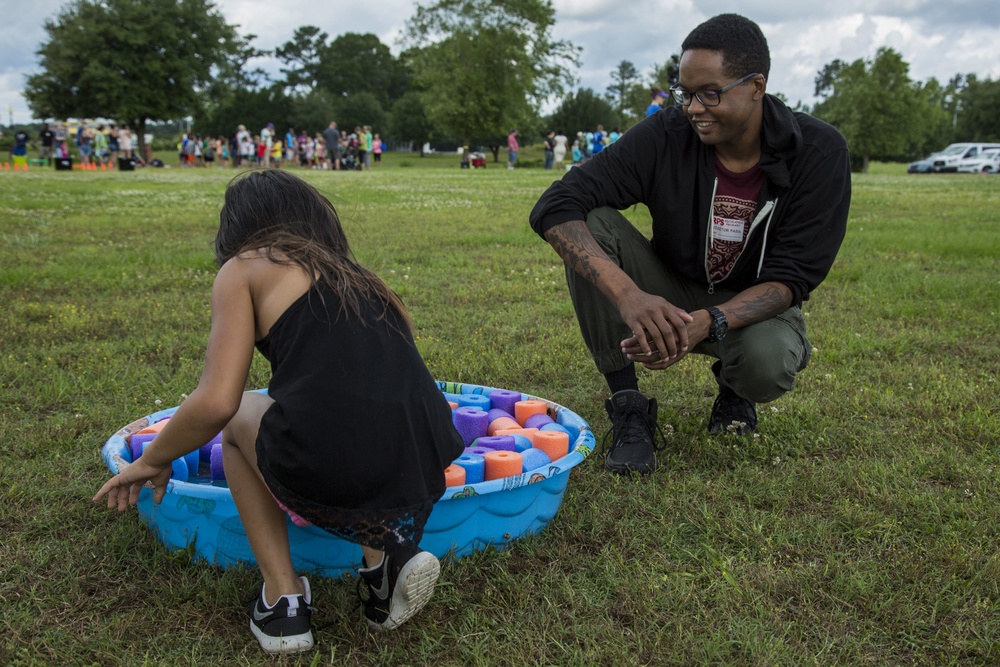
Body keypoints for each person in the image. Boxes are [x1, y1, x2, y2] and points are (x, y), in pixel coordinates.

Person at [93, 169, 465, 654]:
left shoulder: (245, 267)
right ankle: (386, 563)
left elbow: (216, 401)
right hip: (425, 452)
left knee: (241, 415)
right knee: (349, 415)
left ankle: (283, 601)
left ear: (240, 229)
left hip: (342, 456)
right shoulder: (359, 279)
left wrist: (153, 458)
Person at [528, 13, 851, 475]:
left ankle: (736, 391)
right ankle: (628, 406)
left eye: (710, 93)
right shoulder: (667, 133)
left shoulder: (818, 152)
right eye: (685, 93)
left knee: (768, 362)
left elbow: (792, 278)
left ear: (757, 86)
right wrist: (630, 295)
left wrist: (712, 321)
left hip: (751, 301)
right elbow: (557, 203)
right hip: (671, 285)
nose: (694, 108)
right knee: (592, 223)